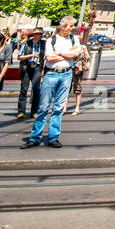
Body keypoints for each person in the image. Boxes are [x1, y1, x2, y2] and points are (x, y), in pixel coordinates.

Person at [23, 16, 82, 148]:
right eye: (70, 26)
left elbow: (75, 54)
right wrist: (67, 54)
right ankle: (35, 137)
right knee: (43, 107)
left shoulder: (74, 39)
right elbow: (49, 57)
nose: (72, 28)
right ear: (63, 26)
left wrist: (59, 53)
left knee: (59, 108)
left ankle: (53, 137)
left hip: (66, 73)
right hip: (51, 74)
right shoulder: (51, 40)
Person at [16, 28, 44, 119]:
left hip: (37, 67)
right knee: (24, 89)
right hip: (27, 67)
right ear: (34, 34)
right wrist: (31, 55)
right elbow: (19, 57)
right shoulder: (26, 43)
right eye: (37, 34)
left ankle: (34, 111)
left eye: (40, 34)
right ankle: (21, 111)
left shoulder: (44, 44)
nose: (39, 35)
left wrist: (43, 69)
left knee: (36, 89)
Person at [68, 35, 92, 116]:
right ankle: (64, 108)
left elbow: (88, 58)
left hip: (77, 69)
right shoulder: (69, 46)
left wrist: (85, 51)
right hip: (68, 68)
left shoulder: (82, 47)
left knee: (77, 89)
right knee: (66, 89)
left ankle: (77, 108)